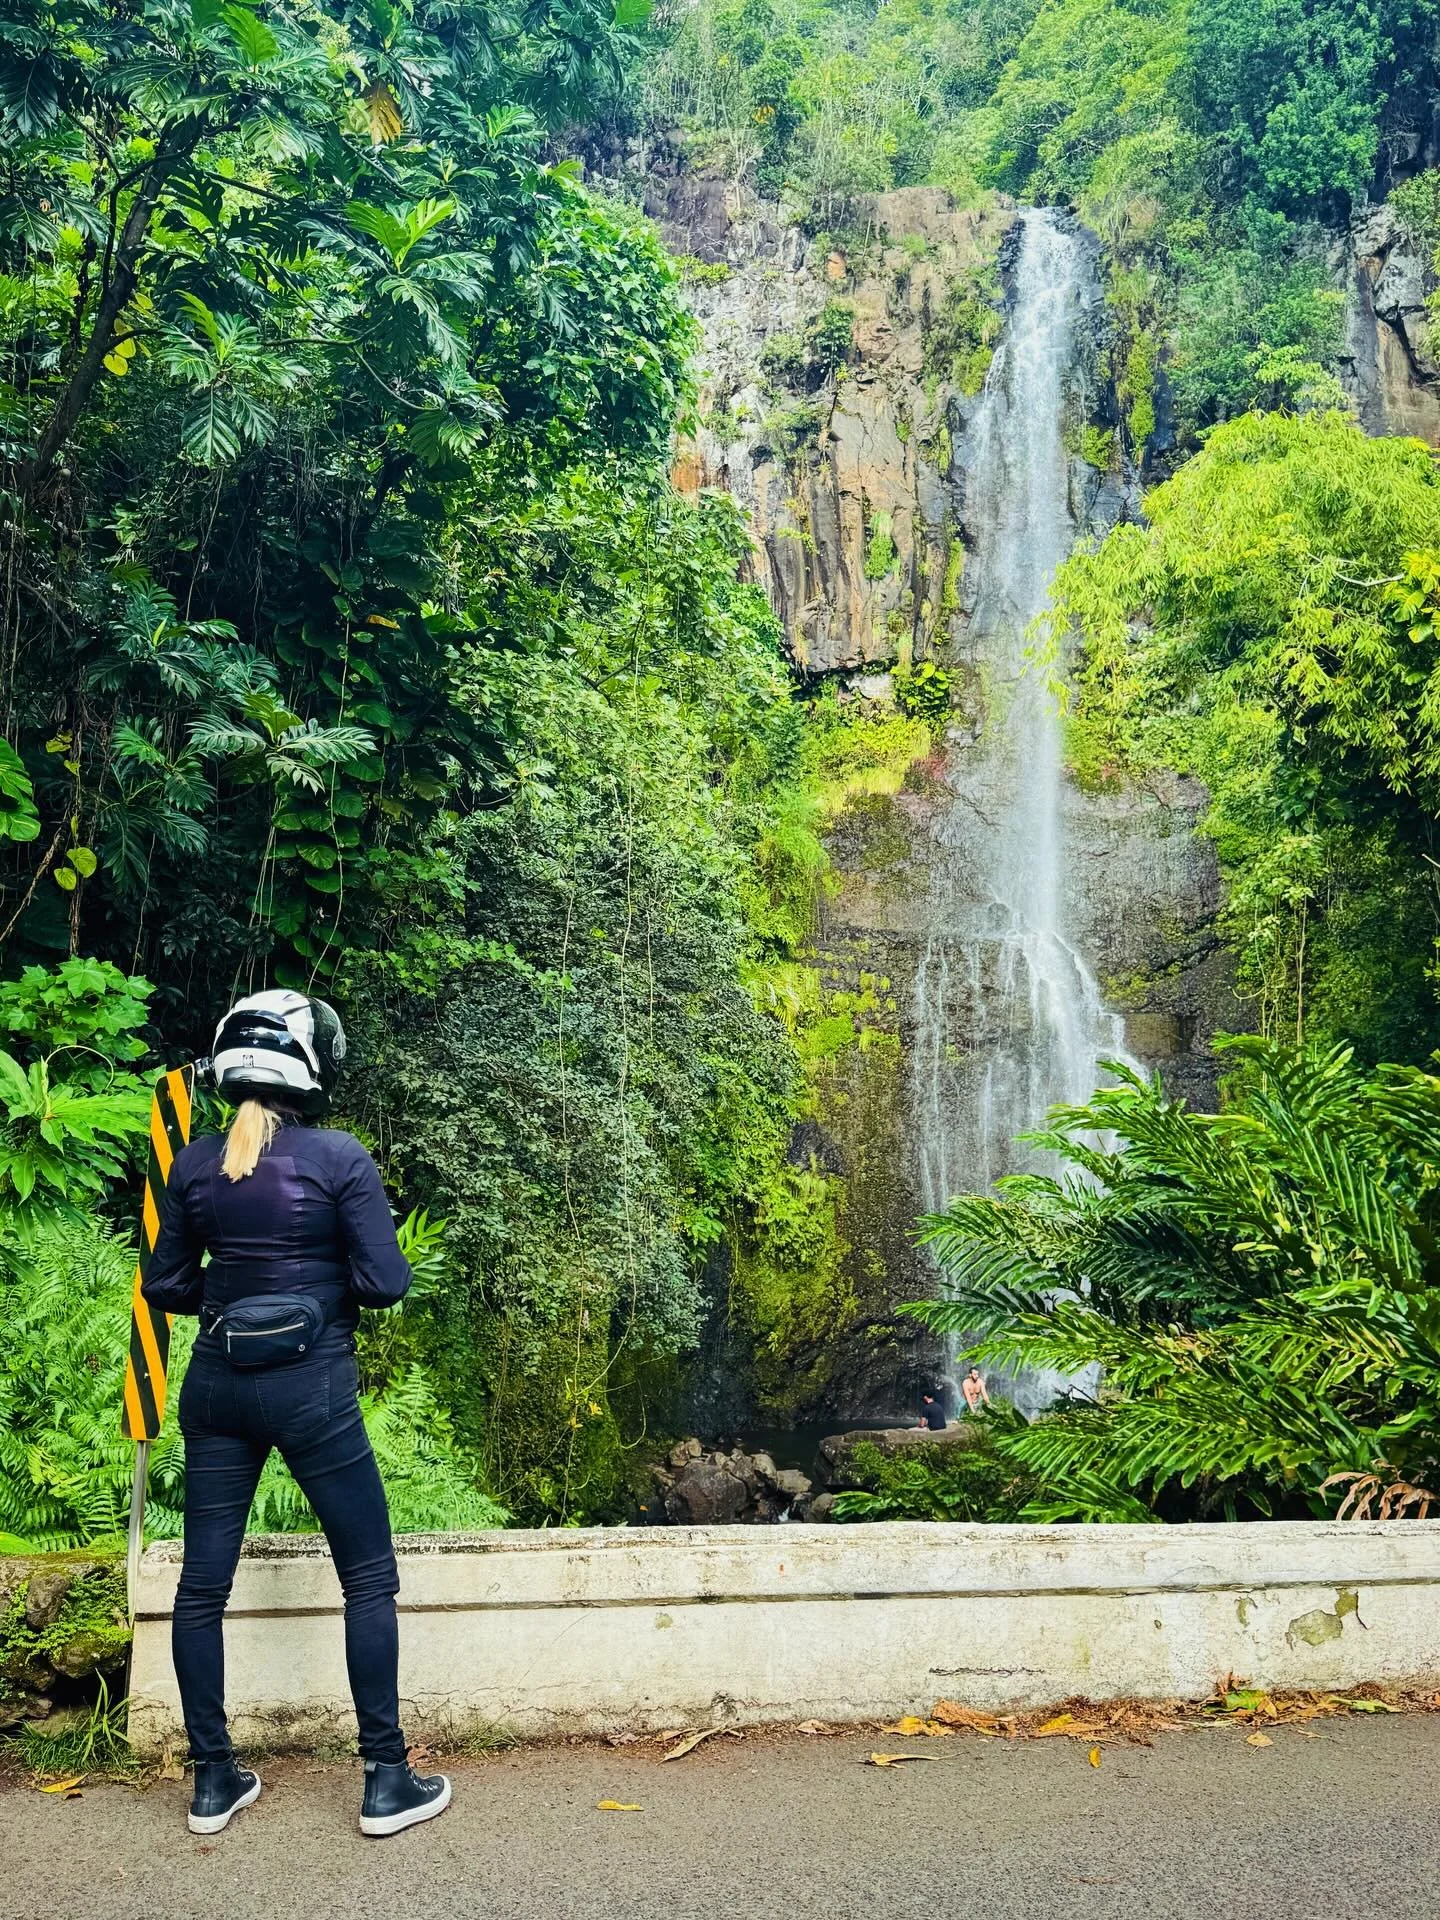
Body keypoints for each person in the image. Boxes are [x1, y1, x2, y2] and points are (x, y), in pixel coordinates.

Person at [144, 989, 451, 1840]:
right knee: (368, 1576)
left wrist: (238, 1306)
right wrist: (312, 1302)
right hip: (311, 1391)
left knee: (201, 1587)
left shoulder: (197, 1163)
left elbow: (166, 1283)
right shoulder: (338, 1156)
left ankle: (213, 1780)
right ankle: (386, 1779)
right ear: (309, 1067)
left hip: (216, 1388)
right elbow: (388, 1281)